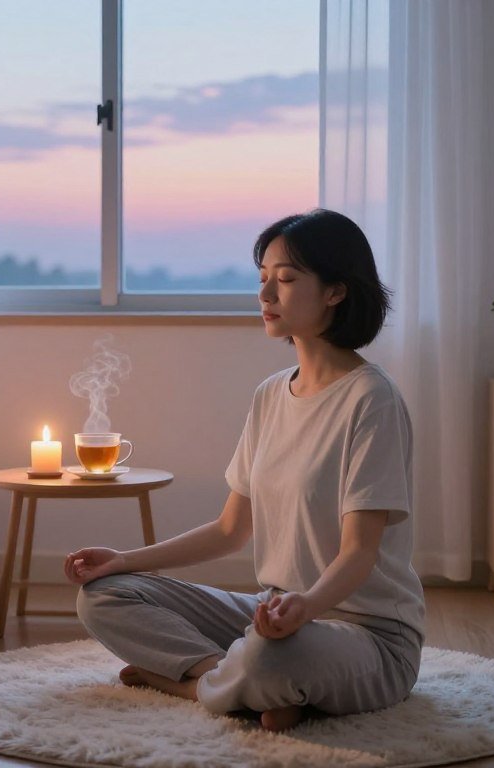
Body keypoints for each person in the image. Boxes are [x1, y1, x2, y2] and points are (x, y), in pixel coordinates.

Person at [65, 209, 424, 733]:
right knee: (103, 597)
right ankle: (239, 685)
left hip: (367, 634)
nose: (266, 296)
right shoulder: (270, 395)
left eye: (285, 280)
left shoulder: (372, 400)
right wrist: (123, 560)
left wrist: (306, 608)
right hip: (272, 613)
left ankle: (190, 684)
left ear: (335, 292)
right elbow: (231, 530)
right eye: (263, 280)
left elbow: (359, 552)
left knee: (271, 653)